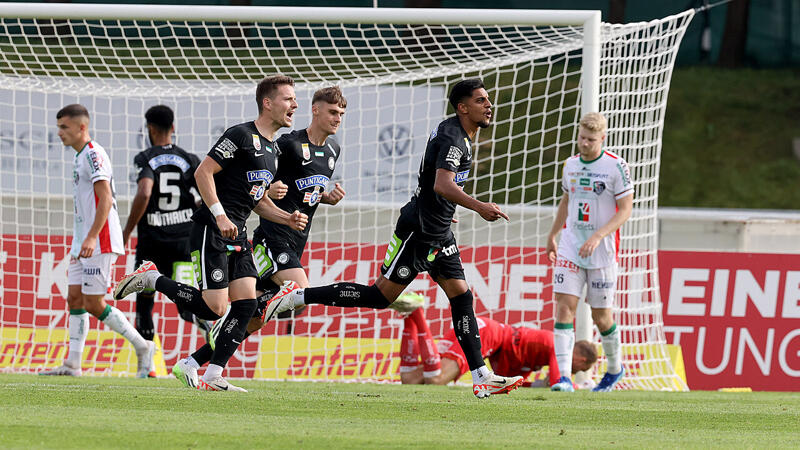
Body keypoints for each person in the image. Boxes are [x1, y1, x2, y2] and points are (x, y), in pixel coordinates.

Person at [263, 79, 525, 398]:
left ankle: (481, 374)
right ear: (463, 107)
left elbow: (431, 181)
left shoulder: (459, 134)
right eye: (481, 100)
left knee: (461, 296)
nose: (488, 105)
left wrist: (440, 208)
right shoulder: (454, 138)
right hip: (418, 231)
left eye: (488, 99)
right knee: (380, 296)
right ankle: (299, 297)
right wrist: (479, 206)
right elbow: (442, 184)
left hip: (438, 229)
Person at [114, 76, 308, 392]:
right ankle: (152, 279)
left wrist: (287, 218)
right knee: (214, 308)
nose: (295, 105)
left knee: (247, 305)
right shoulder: (240, 135)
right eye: (288, 99)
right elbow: (202, 172)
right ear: (267, 103)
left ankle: (210, 373)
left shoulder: (272, 150)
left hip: (238, 234)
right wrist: (219, 215)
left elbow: (256, 200)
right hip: (211, 229)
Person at [171, 86, 348, 386]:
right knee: (295, 291)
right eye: (333, 112)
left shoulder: (332, 152)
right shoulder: (285, 144)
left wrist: (323, 199)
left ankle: (202, 367)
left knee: (250, 314)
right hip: (268, 239)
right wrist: (261, 197)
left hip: (281, 236)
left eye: (342, 114)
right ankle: (153, 280)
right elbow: (245, 181)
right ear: (316, 111)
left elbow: (274, 189)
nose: (337, 119)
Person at [40, 104, 155, 377]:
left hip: (99, 239)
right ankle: (72, 363)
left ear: (82, 127)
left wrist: (92, 236)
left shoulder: (93, 154)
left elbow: (106, 199)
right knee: (74, 298)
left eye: (64, 127)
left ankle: (142, 346)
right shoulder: (79, 156)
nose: (59, 133)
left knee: (93, 302)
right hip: (83, 239)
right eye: (58, 127)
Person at [546, 112, 633, 392]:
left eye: (591, 139)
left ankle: (615, 368)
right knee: (564, 308)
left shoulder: (616, 167)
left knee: (601, 316)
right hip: (571, 247)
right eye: (582, 137)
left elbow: (626, 210)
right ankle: (563, 377)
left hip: (602, 253)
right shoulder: (570, 165)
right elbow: (566, 201)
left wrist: (598, 235)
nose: (585, 143)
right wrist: (553, 234)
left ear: (602, 138)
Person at [121, 105, 212, 355]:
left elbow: (144, 192)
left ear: (149, 128)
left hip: (152, 243)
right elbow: (207, 193)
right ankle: (198, 320)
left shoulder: (146, 157)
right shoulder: (189, 158)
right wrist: (190, 206)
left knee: (145, 301)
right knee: (185, 299)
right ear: (173, 127)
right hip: (184, 241)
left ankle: (147, 364)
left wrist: (128, 229)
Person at [397, 307, 597, 388]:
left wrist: (538, 385)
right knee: (436, 380)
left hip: (485, 330)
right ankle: (418, 313)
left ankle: (411, 317)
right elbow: (558, 383)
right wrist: (581, 386)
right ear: (581, 361)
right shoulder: (557, 345)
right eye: (581, 369)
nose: (575, 370)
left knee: (411, 379)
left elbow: (511, 383)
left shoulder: (536, 356)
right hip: (488, 335)